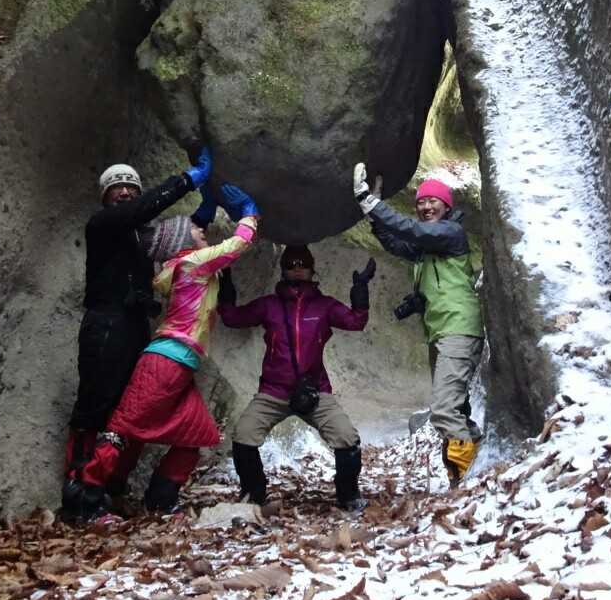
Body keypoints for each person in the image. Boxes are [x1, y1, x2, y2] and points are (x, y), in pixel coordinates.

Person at [76, 182, 261, 519]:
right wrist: (250, 214)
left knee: (198, 432)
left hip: (182, 362)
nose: (202, 232)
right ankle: (87, 499)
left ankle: (160, 500)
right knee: (121, 427)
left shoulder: (182, 265)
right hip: (165, 359)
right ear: (183, 243)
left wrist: (204, 209)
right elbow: (237, 244)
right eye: (197, 231)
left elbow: (197, 244)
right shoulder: (192, 264)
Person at [60, 147, 213, 521]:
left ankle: (110, 490)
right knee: (95, 406)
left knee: (127, 411)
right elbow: (138, 211)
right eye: (117, 187)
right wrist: (187, 180)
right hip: (105, 324)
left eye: (131, 186)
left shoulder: (142, 239)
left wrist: (207, 209)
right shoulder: (102, 225)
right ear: (105, 197)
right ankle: (80, 501)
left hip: (135, 326)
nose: (125, 191)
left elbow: (179, 236)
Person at [352, 163, 484, 484]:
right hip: (440, 331)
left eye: (432, 201)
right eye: (421, 202)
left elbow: (412, 231)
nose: (425, 206)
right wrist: (374, 217)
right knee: (456, 408)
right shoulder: (427, 249)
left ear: (447, 206)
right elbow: (397, 244)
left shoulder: (450, 233)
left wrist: (371, 202)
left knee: (444, 410)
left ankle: (464, 483)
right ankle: (474, 462)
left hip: (458, 328)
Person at [220, 244, 375, 511]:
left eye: (303, 264)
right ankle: (253, 494)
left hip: (314, 390)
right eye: (291, 265)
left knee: (346, 437)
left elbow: (355, 321)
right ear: (283, 270)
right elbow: (232, 318)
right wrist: (225, 282)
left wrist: (360, 289)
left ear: (312, 269)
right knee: (243, 434)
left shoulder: (324, 306)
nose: (298, 269)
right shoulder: (269, 305)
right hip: (274, 391)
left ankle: (349, 496)